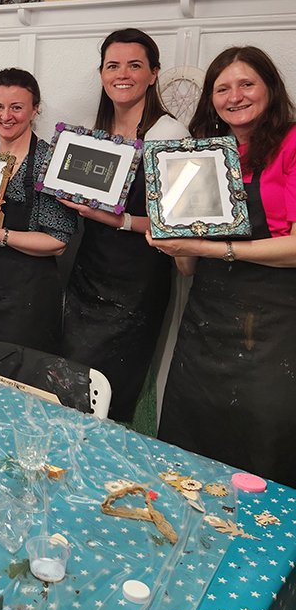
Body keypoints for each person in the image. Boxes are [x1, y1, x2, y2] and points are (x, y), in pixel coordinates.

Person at [151, 46, 296, 488]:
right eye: (222, 88)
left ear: (270, 88)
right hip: (206, 321)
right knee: (191, 439)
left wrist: (216, 250)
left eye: (246, 84)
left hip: (275, 323)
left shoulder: (292, 143)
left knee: (264, 442)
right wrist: (173, 242)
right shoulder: (201, 155)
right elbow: (189, 266)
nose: (235, 96)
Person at [59, 28, 188, 424]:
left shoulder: (171, 135)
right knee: (73, 385)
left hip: (138, 283)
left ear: (153, 74)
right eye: (113, 65)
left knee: (113, 392)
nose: (123, 74)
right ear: (102, 73)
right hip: (87, 272)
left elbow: (177, 225)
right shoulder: (87, 130)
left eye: (135, 65)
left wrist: (121, 220)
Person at [0, 68, 77, 361]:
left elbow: (57, 243)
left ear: (35, 109)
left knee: (19, 378)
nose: (6, 116)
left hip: (27, 301)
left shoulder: (50, 162)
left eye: (17, 107)